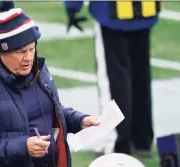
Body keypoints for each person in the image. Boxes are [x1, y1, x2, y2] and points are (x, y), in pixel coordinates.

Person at [0, 1, 100, 167]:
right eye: (21, 51)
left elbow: (50, 113)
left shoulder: (40, 71)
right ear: (2, 51)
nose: (29, 58)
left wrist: (78, 120)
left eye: (32, 49)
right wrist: (23, 147)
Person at [64, 1, 162, 156]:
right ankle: (142, 139)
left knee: (114, 78)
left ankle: (117, 141)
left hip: (112, 12)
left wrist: (72, 5)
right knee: (140, 74)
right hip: (145, 8)